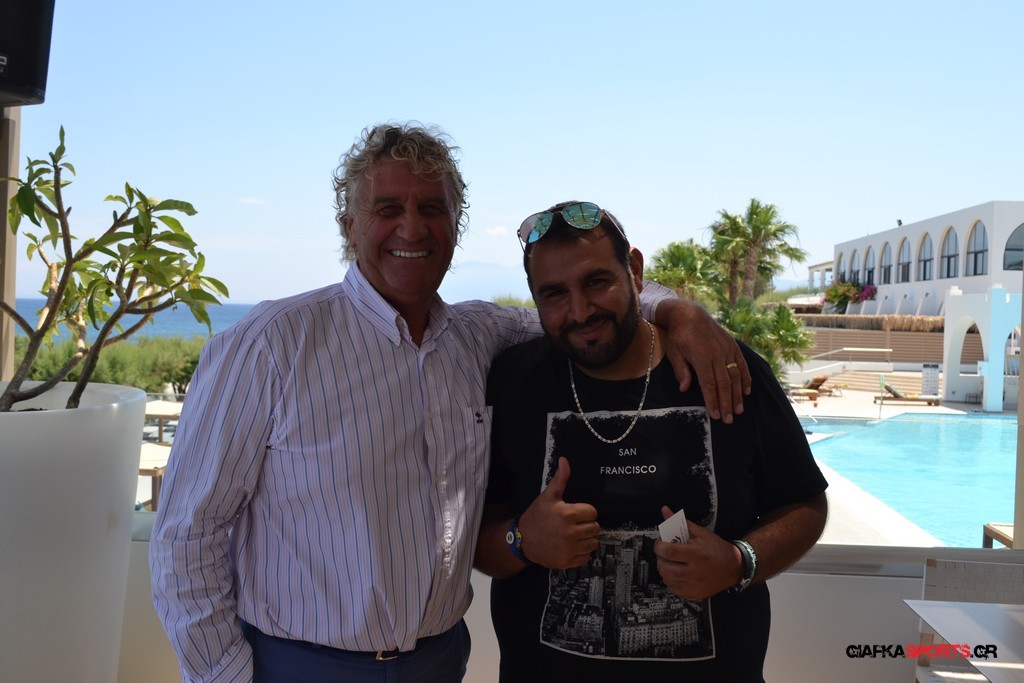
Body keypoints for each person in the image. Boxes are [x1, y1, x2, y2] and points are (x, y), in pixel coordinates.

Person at [149, 124, 751, 683]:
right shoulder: (270, 344)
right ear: (350, 227)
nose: (412, 229)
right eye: (389, 209)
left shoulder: (477, 336)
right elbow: (186, 535)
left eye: (432, 209)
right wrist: (226, 676)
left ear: (455, 227)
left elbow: (582, 309)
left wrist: (679, 311)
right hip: (300, 664)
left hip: (438, 662)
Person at [475, 201, 828, 682]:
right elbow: (475, 538)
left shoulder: (725, 370)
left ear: (635, 271)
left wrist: (736, 562)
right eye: (554, 293)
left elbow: (805, 504)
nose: (580, 311)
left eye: (596, 282)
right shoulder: (512, 384)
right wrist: (521, 540)